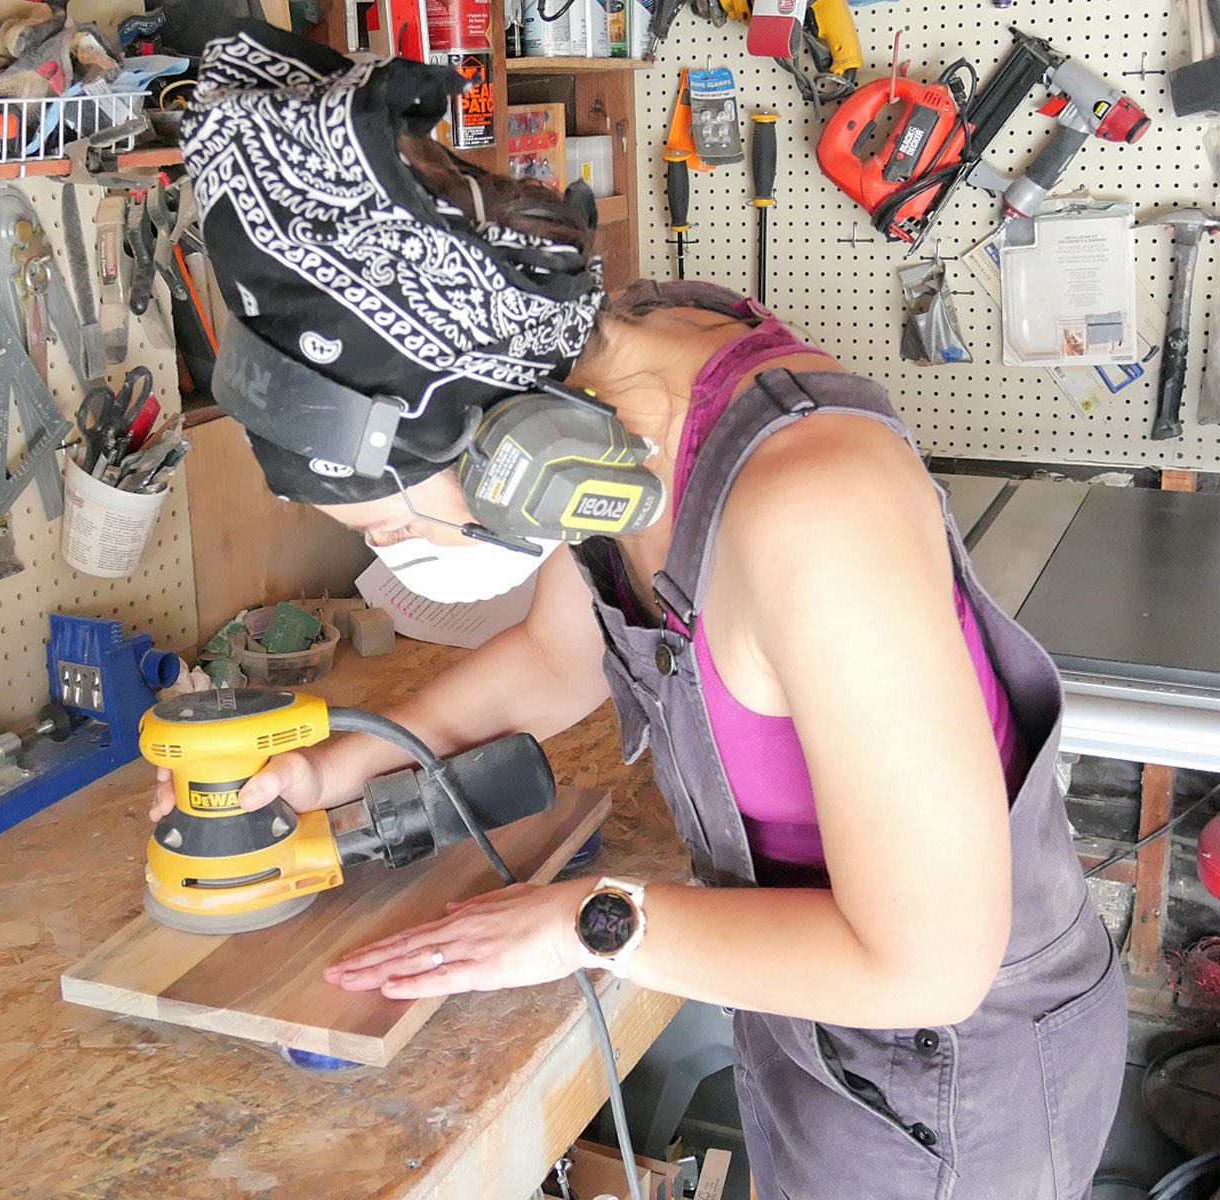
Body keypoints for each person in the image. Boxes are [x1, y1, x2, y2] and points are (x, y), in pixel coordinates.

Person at [164, 22, 1126, 1199]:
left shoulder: (812, 511)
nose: (398, 555)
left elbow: (926, 968)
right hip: (810, 1002)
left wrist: (586, 922)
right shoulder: (607, 404)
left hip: (948, 1076)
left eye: (392, 524)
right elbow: (558, 659)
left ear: (495, 438)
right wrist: (332, 766)